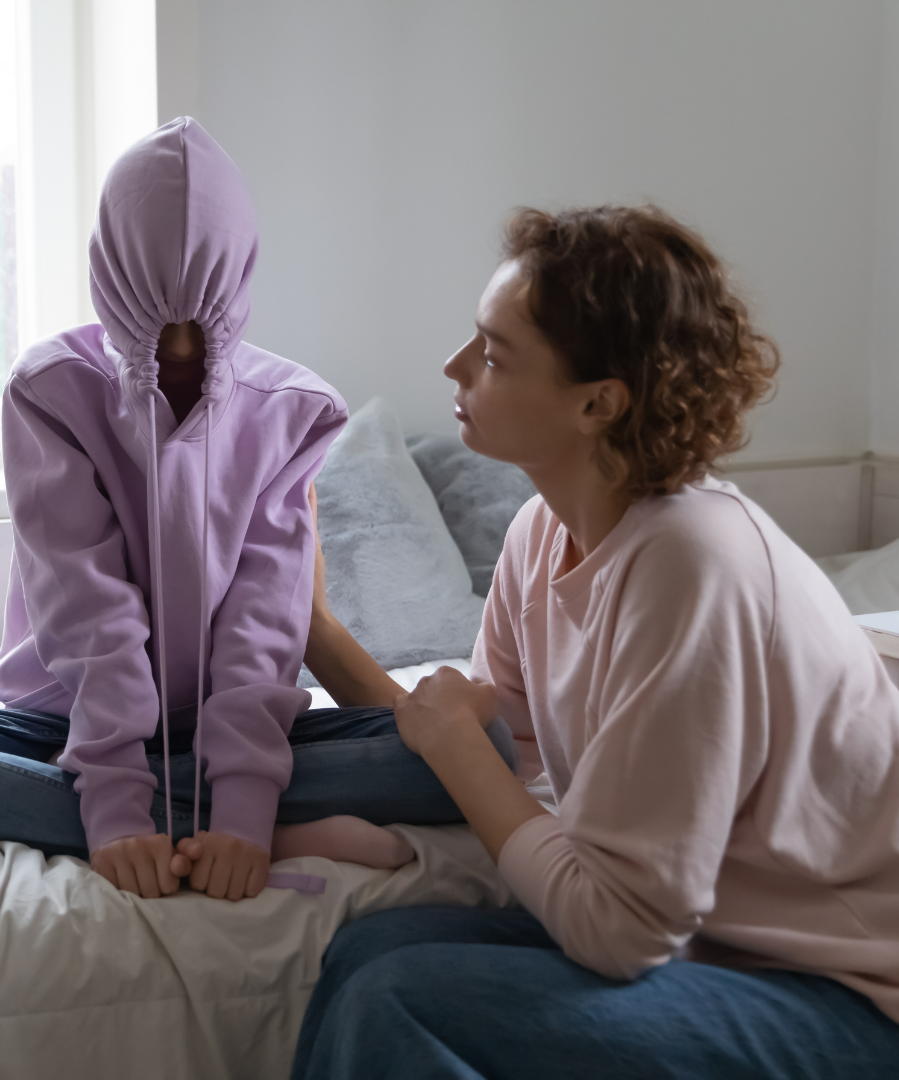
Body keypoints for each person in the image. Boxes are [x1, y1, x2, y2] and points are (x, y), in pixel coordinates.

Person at [0, 118, 518, 901]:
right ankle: (221, 819)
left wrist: (246, 813)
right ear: (109, 278)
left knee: (483, 749)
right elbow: (90, 619)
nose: (182, 347)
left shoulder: (296, 411)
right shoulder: (49, 392)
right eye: (156, 318)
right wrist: (117, 809)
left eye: (201, 320)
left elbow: (261, 625)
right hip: (64, 724)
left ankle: (199, 814)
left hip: (228, 727)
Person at [291, 206, 899, 1078]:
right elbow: (502, 765)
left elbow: (617, 927)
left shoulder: (695, 564)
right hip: (711, 951)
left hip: (847, 996)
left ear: (597, 402)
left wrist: (463, 751)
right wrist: (316, 631)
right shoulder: (541, 533)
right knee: (365, 954)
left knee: (403, 996)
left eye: (494, 355)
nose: (456, 368)